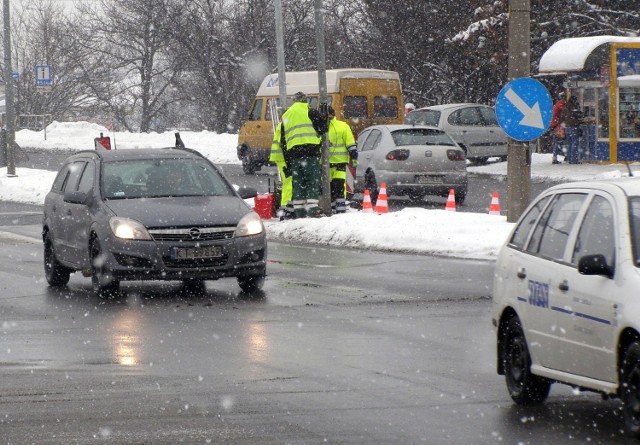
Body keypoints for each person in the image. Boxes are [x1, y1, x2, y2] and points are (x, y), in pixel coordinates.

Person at [280, 92, 324, 218]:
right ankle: (312, 210)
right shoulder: (309, 111)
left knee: (298, 183)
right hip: (310, 152)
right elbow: (323, 128)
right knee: (312, 181)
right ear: (305, 100)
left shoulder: (286, 115)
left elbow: (283, 141)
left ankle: (299, 211)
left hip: (294, 155)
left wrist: (288, 161)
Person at [326, 106, 357, 213]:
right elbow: (351, 144)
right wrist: (354, 158)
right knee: (338, 187)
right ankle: (340, 210)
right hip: (340, 162)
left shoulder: (320, 127)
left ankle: (331, 209)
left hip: (326, 164)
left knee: (329, 189)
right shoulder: (343, 126)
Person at [269, 122, 294, 219]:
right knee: (289, 183)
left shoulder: (284, 124)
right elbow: (284, 143)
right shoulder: (286, 125)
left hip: (281, 157)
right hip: (283, 158)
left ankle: (285, 209)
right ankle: (285, 210)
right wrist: (288, 162)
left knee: (287, 183)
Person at [561, 95, 584, 164]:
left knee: (569, 143)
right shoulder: (574, 107)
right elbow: (579, 115)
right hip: (574, 126)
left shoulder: (565, 107)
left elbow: (562, 116)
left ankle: (569, 158)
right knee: (574, 143)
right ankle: (574, 159)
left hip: (567, 127)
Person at [549, 92, 566, 164]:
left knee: (557, 141)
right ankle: (555, 158)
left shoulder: (558, 103)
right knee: (558, 141)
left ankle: (556, 157)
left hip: (554, 124)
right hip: (556, 125)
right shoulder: (561, 103)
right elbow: (564, 112)